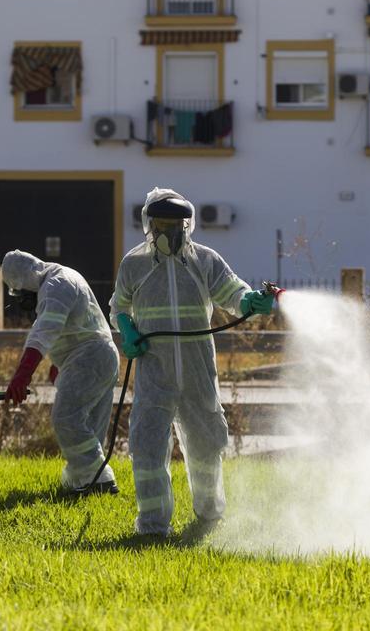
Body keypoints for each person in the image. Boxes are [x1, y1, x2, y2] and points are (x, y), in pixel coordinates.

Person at [110, 188, 276, 536]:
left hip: (198, 369)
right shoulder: (134, 263)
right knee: (147, 447)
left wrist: (249, 302)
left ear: (187, 226)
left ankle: (210, 515)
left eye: (174, 225)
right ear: (149, 225)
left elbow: (232, 292)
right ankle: (153, 525)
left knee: (205, 445)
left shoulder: (205, 260)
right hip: (155, 371)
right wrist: (127, 330)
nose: (167, 232)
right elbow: (119, 306)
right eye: (160, 224)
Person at [2, 250, 120, 495]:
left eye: (21, 291)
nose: (23, 300)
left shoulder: (56, 285)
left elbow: (46, 330)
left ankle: (100, 480)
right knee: (88, 425)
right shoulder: (59, 280)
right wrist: (58, 365)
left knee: (66, 418)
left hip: (90, 359)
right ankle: (83, 481)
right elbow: (73, 326)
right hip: (95, 358)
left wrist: (23, 374)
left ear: (29, 278)